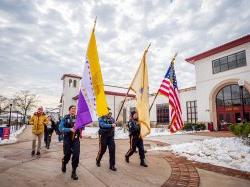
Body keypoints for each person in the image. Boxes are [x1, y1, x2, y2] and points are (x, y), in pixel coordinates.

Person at [59, 105, 81, 180]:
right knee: (67, 154)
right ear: (69, 110)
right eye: (72, 109)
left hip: (76, 139)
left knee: (76, 155)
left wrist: (80, 126)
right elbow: (60, 128)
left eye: (75, 109)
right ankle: (64, 162)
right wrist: (70, 129)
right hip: (67, 138)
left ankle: (74, 171)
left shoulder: (78, 118)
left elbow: (83, 127)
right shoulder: (65, 118)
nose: (73, 110)